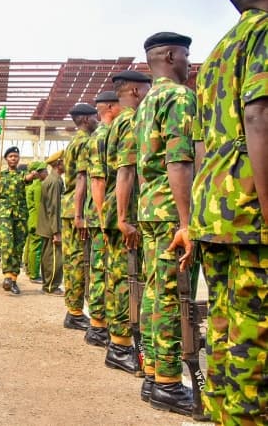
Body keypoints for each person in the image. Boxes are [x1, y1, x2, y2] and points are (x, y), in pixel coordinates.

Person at [187, 0, 268, 423]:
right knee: (255, 340)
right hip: (252, 210)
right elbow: (259, 115)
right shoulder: (264, 33)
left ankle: (223, 416)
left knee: (222, 330)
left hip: (216, 207)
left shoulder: (218, 53)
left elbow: (200, 145)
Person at [134, 32, 196, 416]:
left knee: (156, 290)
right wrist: (187, 221)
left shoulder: (144, 105)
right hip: (172, 210)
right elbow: (179, 161)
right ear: (171, 55)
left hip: (150, 208)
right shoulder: (178, 96)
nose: (190, 63)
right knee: (172, 293)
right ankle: (169, 384)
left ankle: (154, 372)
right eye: (188, 56)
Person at [103, 73, 152, 373]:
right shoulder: (130, 120)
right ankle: (120, 346)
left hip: (118, 210)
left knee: (120, 279)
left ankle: (118, 343)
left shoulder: (117, 123)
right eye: (147, 88)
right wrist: (123, 217)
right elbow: (126, 170)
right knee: (126, 281)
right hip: (127, 213)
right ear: (135, 90)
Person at [83, 91, 119, 349]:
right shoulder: (103, 136)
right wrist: (103, 218)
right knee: (102, 271)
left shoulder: (103, 135)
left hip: (103, 214)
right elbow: (97, 180)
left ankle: (99, 324)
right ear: (109, 107)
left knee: (101, 270)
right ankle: (98, 326)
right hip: (104, 215)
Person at [61, 103, 98, 330]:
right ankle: (74, 313)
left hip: (70, 206)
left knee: (74, 259)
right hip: (78, 207)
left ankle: (74, 310)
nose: (98, 120)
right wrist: (80, 214)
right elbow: (82, 179)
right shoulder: (84, 142)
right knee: (77, 261)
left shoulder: (73, 142)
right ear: (85, 119)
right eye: (95, 116)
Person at [0, 147, 39, 295]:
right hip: (5, 215)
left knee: (18, 247)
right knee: (7, 244)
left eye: (16, 156)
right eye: (11, 156)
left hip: (21, 216)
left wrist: (34, 174)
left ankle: (13, 278)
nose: (13, 159)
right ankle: (6, 276)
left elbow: (27, 179)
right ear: (6, 159)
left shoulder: (22, 175)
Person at [37, 151, 65, 295]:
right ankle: (51, 286)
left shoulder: (54, 179)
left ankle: (48, 284)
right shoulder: (54, 181)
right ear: (58, 164)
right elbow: (54, 208)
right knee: (54, 258)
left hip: (48, 225)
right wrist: (56, 231)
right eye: (64, 161)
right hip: (51, 226)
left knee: (48, 256)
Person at [25, 162, 45, 282]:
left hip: (31, 219)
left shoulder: (29, 185)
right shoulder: (37, 186)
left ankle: (29, 268)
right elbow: (39, 206)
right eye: (43, 171)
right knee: (36, 248)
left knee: (31, 245)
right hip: (37, 220)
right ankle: (34, 274)